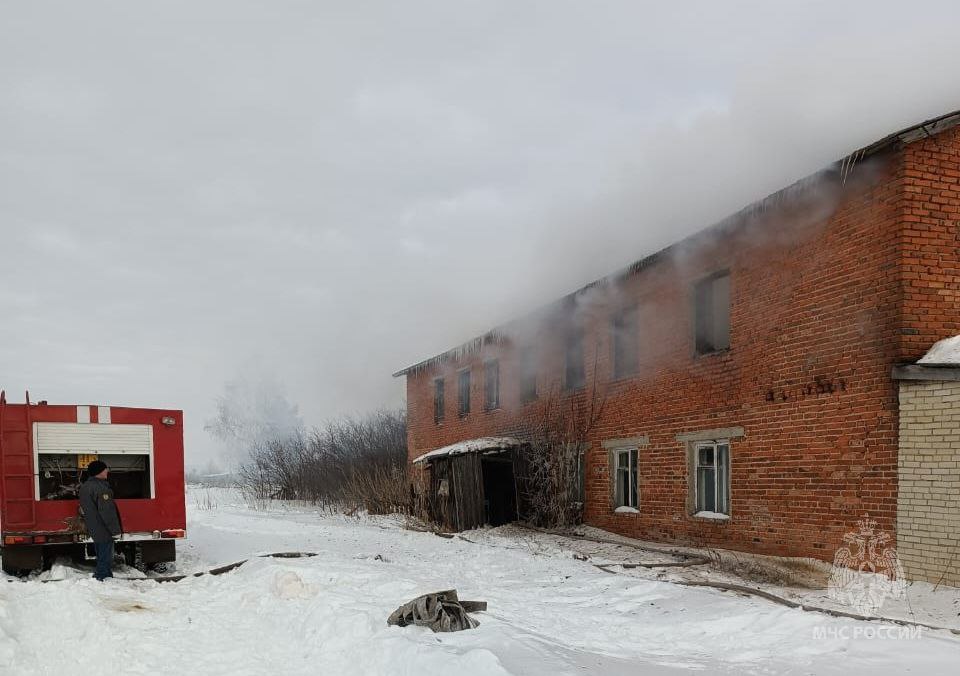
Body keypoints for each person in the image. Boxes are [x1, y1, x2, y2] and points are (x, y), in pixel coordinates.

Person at [78, 460, 122, 580]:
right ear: (99, 472)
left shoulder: (85, 487)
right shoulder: (101, 488)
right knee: (105, 554)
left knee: (101, 552)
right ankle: (102, 576)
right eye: (104, 469)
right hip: (103, 527)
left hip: (93, 526)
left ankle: (105, 575)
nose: (107, 471)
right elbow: (107, 512)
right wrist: (115, 531)